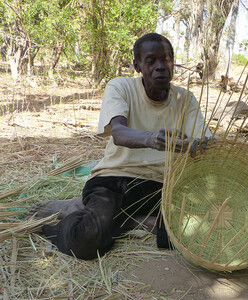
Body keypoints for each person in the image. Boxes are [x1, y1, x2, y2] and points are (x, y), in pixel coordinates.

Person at [27, 33, 213, 260]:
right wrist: (151, 139)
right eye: (151, 61)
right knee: (86, 242)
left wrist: (199, 145)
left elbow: (205, 140)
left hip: (164, 186)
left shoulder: (186, 99)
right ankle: (75, 211)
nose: (160, 67)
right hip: (115, 180)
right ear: (137, 66)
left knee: (196, 230)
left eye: (166, 60)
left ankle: (127, 219)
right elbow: (119, 133)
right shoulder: (121, 87)